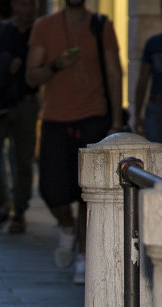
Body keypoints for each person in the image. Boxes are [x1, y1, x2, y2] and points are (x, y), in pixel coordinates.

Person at [26, 0, 124, 284]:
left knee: (87, 193)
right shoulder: (45, 27)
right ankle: (67, 227)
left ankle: (84, 255)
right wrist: (56, 65)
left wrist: (116, 122)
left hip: (93, 117)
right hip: (56, 119)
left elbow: (114, 71)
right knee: (52, 190)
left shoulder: (101, 26)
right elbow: (31, 76)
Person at [0, 0, 40, 233]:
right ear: (14, 6)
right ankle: (2, 203)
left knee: (22, 160)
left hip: (25, 101)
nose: (28, 9)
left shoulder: (40, 30)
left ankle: (20, 211)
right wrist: (3, 62)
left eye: (31, 4)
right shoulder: (0, 30)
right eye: (23, 4)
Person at [133, 0, 162, 154]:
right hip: (157, 106)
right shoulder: (153, 43)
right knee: (156, 155)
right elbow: (143, 80)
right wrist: (138, 114)